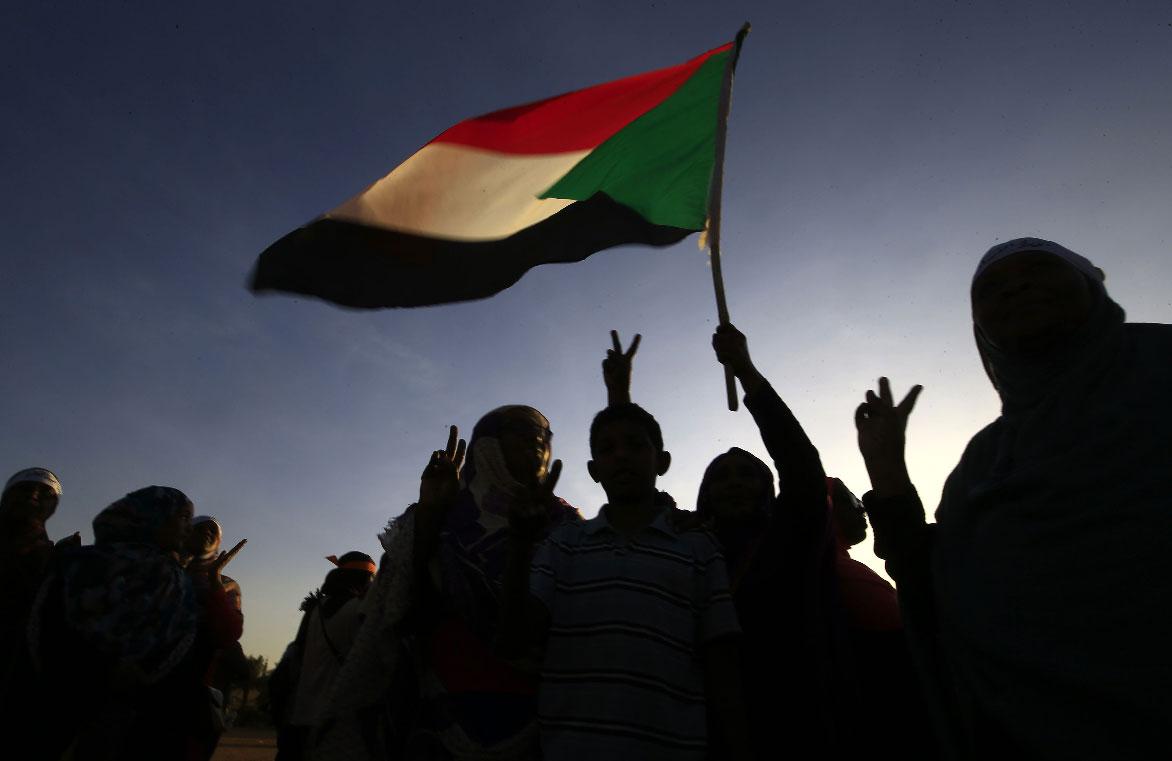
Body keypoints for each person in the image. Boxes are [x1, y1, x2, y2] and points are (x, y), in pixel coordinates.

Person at [854, 238, 1172, 759]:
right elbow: (933, 585)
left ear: (1091, 286)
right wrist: (886, 469)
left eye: (1039, 269)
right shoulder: (984, 463)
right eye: (992, 288)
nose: (1017, 287)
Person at [314, 413, 580, 761]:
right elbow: (399, 613)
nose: (539, 442)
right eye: (524, 433)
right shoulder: (441, 515)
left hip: (544, 721)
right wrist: (430, 516)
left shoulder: (568, 526)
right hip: (440, 715)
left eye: (546, 435)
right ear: (488, 448)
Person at [499, 401, 750, 761]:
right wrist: (520, 543)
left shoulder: (698, 547)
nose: (622, 457)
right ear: (593, 469)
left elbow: (722, 664)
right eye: (607, 449)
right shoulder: (564, 543)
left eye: (636, 445)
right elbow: (514, 641)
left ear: (661, 461)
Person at [28, 486, 243, 760]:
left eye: (194, 522)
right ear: (151, 517)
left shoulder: (200, 583)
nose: (190, 529)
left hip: (152, 717)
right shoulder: (84, 565)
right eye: (184, 520)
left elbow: (223, 634)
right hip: (67, 705)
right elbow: (45, 630)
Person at [273, 552, 376, 761]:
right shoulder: (358, 611)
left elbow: (297, 658)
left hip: (300, 718)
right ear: (365, 579)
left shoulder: (313, 611)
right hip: (337, 722)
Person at [183, 515, 249, 757]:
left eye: (213, 531)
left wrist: (214, 581)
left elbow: (228, 633)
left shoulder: (228, 585)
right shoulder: (164, 570)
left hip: (203, 683)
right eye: (200, 528)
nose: (207, 533)